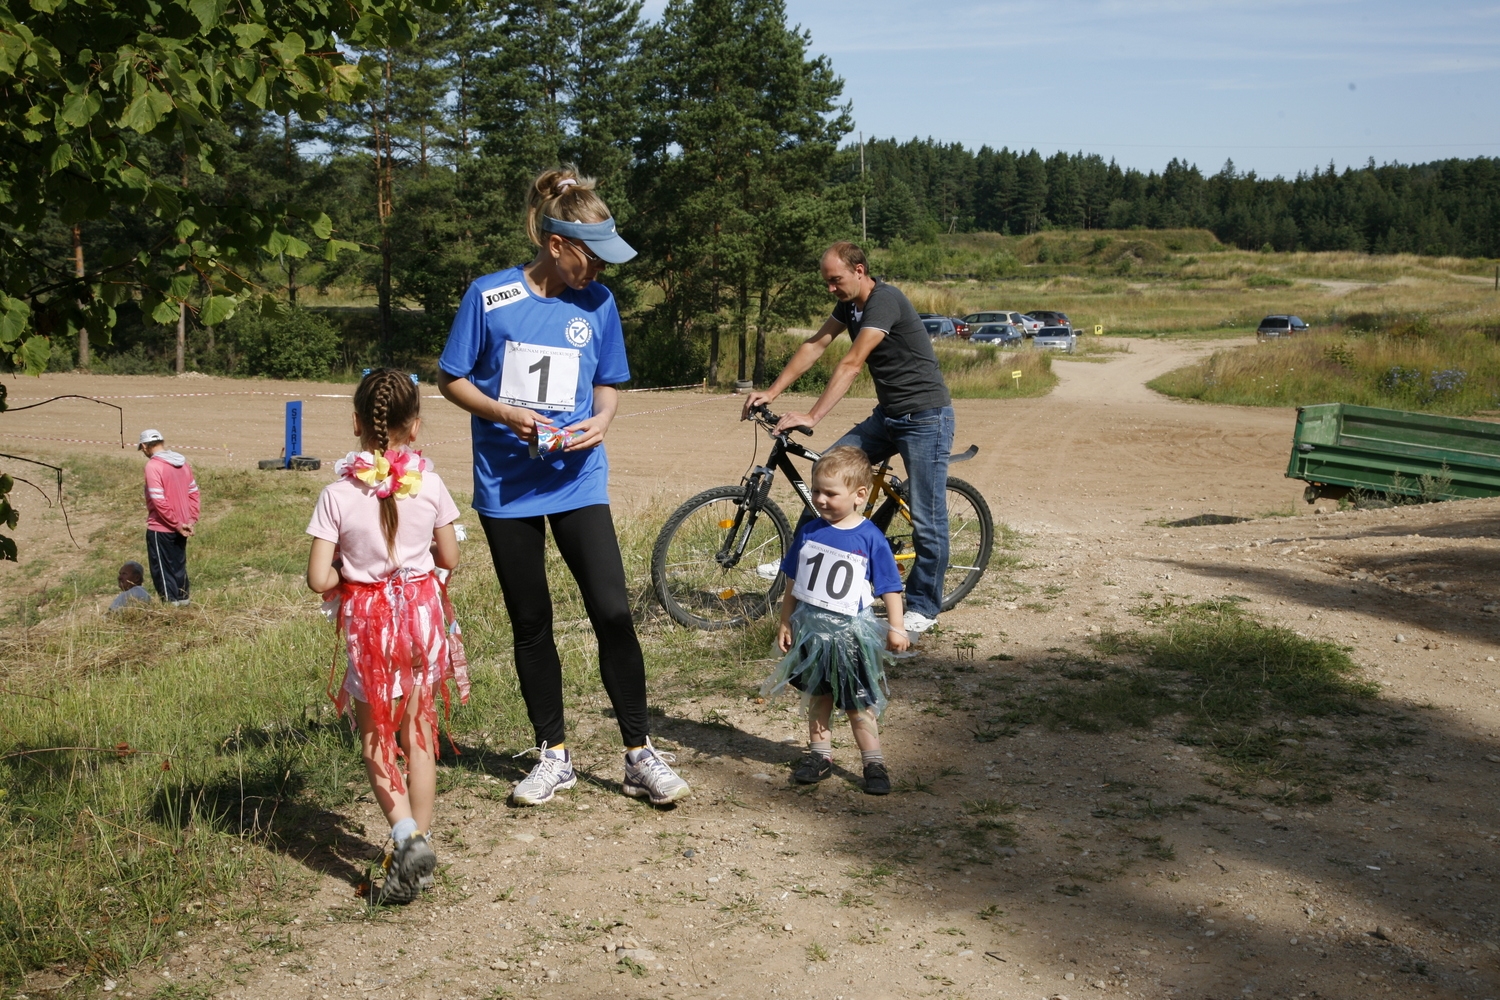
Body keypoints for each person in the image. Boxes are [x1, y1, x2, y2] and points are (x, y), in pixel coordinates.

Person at [437, 166, 690, 808]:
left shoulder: (599, 304)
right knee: (532, 621)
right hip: (508, 488)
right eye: (591, 259)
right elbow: (451, 378)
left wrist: (602, 421)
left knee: (612, 611)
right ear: (556, 245)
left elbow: (608, 381)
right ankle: (553, 754)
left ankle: (639, 753)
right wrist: (504, 413)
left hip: (579, 479)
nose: (601, 273)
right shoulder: (489, 296)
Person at [305, 369, 469, 904]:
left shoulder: (336, 494)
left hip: (372, 629)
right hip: (422, 620)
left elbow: (318, 579)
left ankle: (404, 837)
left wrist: (351, 575)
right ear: (415, 427)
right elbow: (449, 557)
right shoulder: (432, 485)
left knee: (379, 741)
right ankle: (417, 847)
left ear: (356, 422)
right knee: (419, 738)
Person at [743, 241, 954, 638]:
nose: (831, 289)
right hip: (888, 415)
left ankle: (924, 606)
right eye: (826, 282)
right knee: (829, 474)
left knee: (927, 517)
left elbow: (852, 362)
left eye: (835, 280)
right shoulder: (849, 306)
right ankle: (805, 557)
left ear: (859, 271)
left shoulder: (884, 301)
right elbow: (815, 344)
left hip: (926, 417)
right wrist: (771, 392)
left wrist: (812, 415)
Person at [762, 446, 908, 795]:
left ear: (859, 495)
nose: (821, 500)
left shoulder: (870, 537)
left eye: (831, 493)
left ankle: (873, 762)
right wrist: (785, 622)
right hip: (812, 632)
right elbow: (794, 582)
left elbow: (890, 586)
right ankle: (820, 756)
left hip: (850, 637)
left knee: (859, 703)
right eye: (816, 491)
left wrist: (897, 627)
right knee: (819, 696)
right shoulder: (810, 532)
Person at [138, 428, 200, 606]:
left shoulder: (153, 466)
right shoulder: (182, 463)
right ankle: (184, 604)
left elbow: (159, 502)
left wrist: (176, 524)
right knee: (178, 569)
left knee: (163, 572)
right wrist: (189, 520)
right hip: (183, 527)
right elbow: (194, 493)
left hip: (161, 527)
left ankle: (171, 610)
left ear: (144, 446)